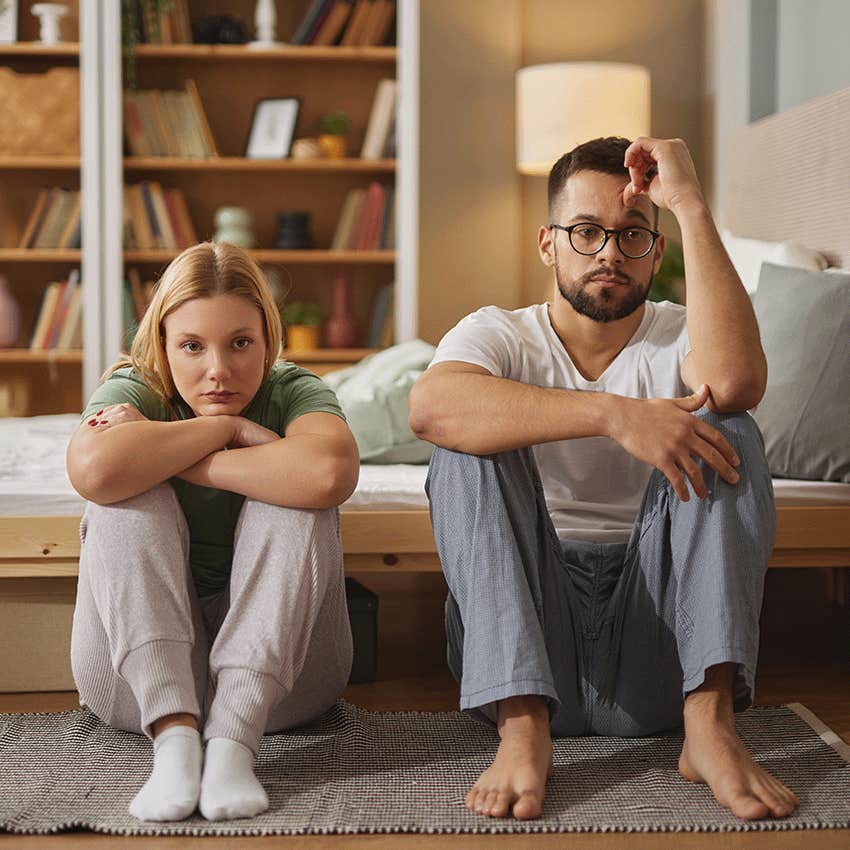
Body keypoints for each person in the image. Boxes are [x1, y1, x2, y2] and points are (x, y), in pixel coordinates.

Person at [408, 136, 800, 822]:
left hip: (662, 643)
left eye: (632, 236)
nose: (609, 253)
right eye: (586, 232)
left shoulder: (684, 333)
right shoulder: (498, 332)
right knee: (464, 439)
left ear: (657, 250)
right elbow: (431, 409)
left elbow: (737, 381)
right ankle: (522, 728)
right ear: (547, 244)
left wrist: (688, 202)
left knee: (728, 420)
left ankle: (709, 728)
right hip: (528, 639)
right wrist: (614, 415)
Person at [66, 242, 359, 822]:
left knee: (295, 497)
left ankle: (230, 745)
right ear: (163, 345)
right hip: (130, 689)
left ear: (269, 343)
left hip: (285, 686)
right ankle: (174, 742)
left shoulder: (296, 390)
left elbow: (327, 473)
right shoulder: (136, 389)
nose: (218, 370)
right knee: (124, 496)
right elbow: (96, 471)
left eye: (241, 344)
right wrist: (229, 430)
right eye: (192, 347)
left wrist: (179, 446)